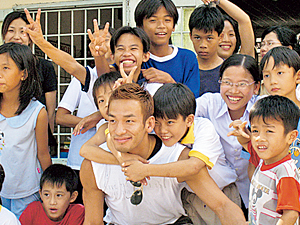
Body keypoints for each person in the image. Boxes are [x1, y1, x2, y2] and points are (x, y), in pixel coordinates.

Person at [80, 83, 247, 225]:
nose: (119, 130)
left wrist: (144, 169)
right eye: (113, 120)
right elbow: (93, 222)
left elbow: (223, 206)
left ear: (149, 124)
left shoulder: (179, 157)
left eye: (129, 121)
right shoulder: (93, 165)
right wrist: (120, 159)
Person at [55, 25, 115, 204]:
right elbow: (60, 116)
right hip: (79, 161)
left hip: (110, 159)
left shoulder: (123, 78)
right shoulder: (85, 76)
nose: (102, 45)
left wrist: (98, 117)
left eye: (107, 41)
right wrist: (87, 121)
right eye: (98, 41)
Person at [195, 54, 261, 217]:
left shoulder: (263, 109)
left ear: (256, 87)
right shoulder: (209, 103)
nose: (233, 91)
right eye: (227, 83)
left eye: (242, 84)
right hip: (218, 194)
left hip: (257, 193)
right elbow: (179, 114)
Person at [230, 47, 300, 178]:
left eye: (280, 73)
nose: (272, 81)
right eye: (266, 75)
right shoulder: (259, 116)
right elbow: (253, 164)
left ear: (298, 76)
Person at [0, 43, 52, 218]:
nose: (0, 74)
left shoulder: (37, 112)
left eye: (6, 68)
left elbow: (43, 154)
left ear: (24, 73)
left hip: (27, 192)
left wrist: (51, 187)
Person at [2, 11, 57, 154]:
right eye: (11, 31)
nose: (16, 36)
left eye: (23, 31)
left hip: (35, 137)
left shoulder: (44, 66)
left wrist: (46, 140)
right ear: (4, 35)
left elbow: (50, 111)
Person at [247, 95, 300, 225]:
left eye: (269, 131)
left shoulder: (284, 172)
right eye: (255, 130)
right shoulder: (263, 161)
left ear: (291, 136)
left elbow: (291, 214)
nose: (259, 138)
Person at [134, 0, 200, 97]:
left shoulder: (187, 58)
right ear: (140, 26)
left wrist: (170, 82)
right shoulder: (136, 56)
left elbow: (193, 101)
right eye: (153, 20)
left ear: (173, 26)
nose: (161, 26)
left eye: (167, 20)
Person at [19, 164, 84, 224]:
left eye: (59, 195)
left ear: (72, 197)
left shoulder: (77, 213)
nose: (52, 202)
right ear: (41, 194)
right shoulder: (33, 211)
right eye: (46, 195)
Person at [189, 4, 224, 96]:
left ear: (220, 37)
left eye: (209, 38)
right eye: (197, 38)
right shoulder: (186, 69)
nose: (203, 45)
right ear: (190, 36)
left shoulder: (227, 71)